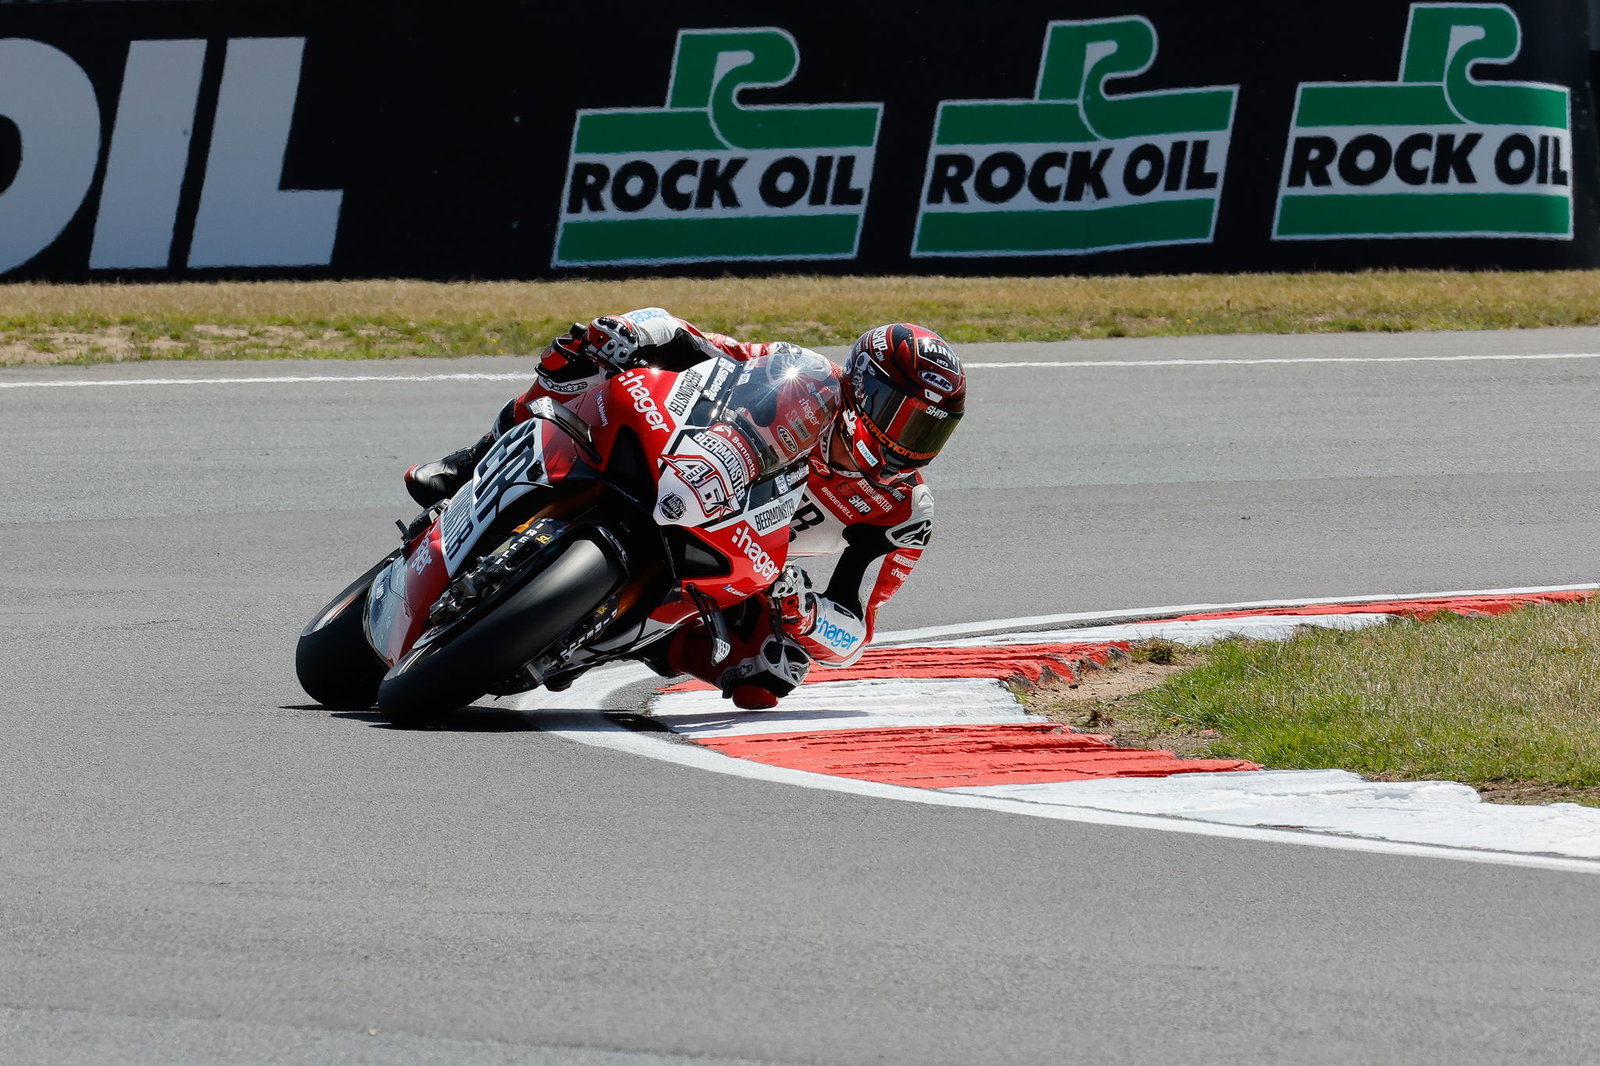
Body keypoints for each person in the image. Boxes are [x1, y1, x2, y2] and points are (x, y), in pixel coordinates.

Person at [404, 308, 966, 710]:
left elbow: (854, 634)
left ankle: (608, 642)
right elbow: (697, 342)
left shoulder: (902, 509)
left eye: (930, 431)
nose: (909, 442)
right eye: (903, 416)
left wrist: (804, 610)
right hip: (696, 473)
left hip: (748, 566)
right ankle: (472, 458)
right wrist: (628, 333)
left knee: (768, 673)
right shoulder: (805, 377)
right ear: (864, 389)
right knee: (583, 364)